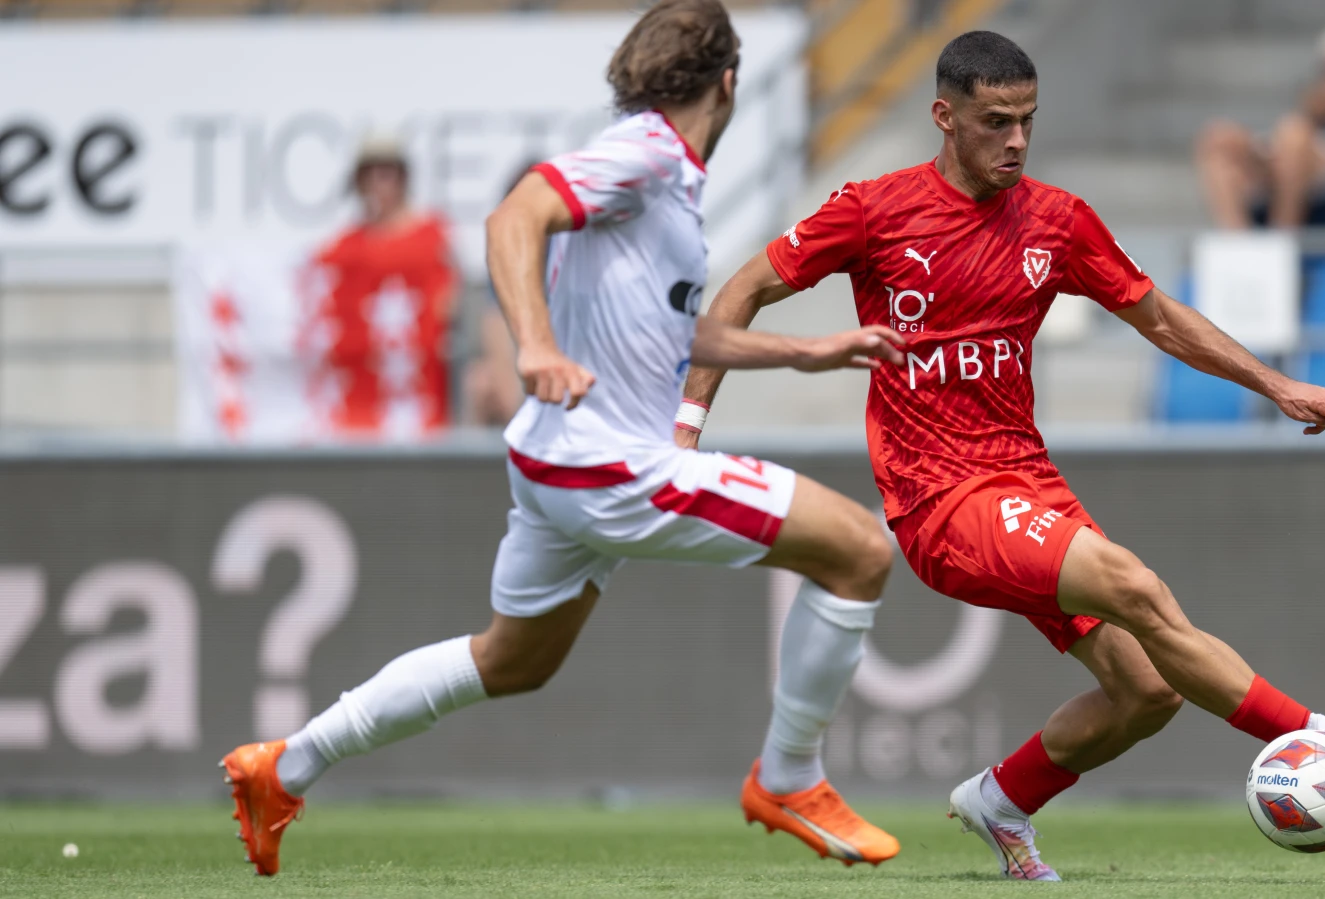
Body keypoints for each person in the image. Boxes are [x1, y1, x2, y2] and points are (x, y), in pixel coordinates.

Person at [681, 31, 1325, 881]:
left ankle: (1001, 800)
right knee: (1133, 584)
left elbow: (1162, 318)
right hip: (939, 502)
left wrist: (1276, 384)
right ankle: (1315, 731)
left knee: (1147, 692)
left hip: (1027, 481)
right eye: (996, 122)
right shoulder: (874, 209)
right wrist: (687, 428)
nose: (1017, 140)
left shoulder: (1057, 220)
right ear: (944, 118)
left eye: (1027, 120)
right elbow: (741, 290)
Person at [222, 0, 907, 876]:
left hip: (554, 462)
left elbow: (667, 330)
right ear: (729, 81)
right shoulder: (650, 151)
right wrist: (535, 344)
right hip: (607, 466)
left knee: (511, 660)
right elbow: (515, 216)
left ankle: (285, 765)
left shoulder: (663, 182)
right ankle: (789, 776)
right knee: (859, 550)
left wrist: (804, 349)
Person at [306, 135, 458, 437]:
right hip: (361, 407)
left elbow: (447, 302)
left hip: (418, 397)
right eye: (370, 175)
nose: (379, 184)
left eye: (387, 173)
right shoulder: (344, 247)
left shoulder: (431, 235)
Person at [1196, 21, 1325, 229]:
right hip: (1291, 193)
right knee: (1220, 138)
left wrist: (1294, 153)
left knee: (1293, 135)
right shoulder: (1311, 121)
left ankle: (1284, 237)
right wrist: (1265, 157)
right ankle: (1237, 245)